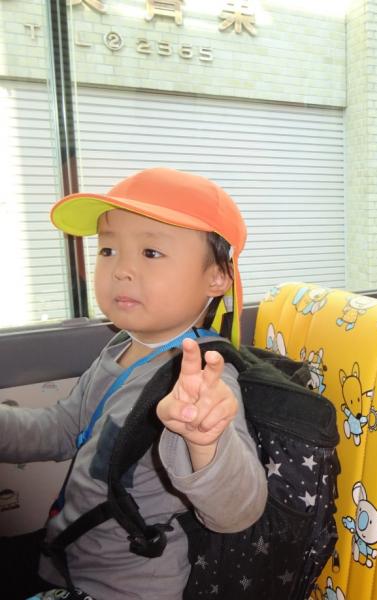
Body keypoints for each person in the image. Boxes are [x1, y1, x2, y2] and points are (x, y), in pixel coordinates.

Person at [0, 168, 268, 599]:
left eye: (151, 252)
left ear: (217, 277)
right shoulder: (121, 348)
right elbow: (64, 429)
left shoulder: (200, 380)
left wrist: (206, 442)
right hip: (68, 557)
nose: (121, 269)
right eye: (108, 249)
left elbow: (237, 511)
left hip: (127, 586)